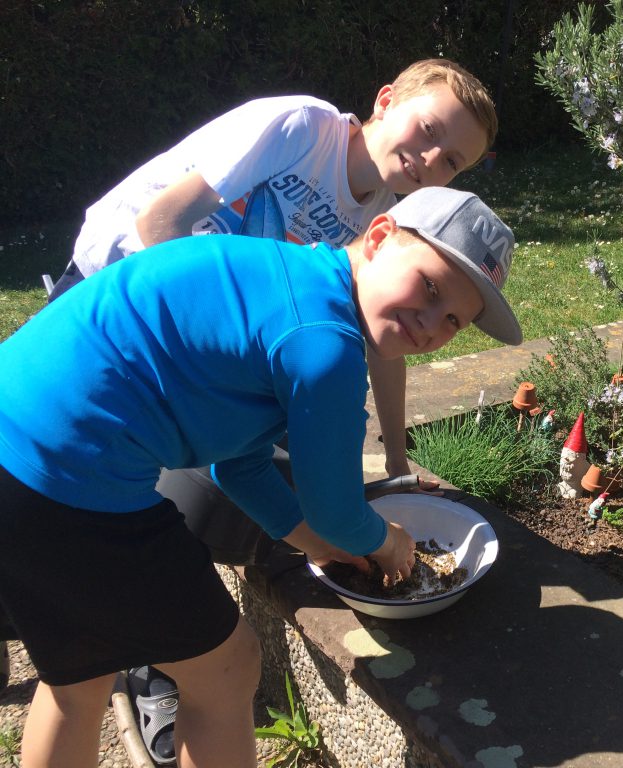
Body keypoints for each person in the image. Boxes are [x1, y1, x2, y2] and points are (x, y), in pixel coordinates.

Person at [0, 186, 521, 768]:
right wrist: (387, 541)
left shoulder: (287, 278)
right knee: (227, 671)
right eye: (430, 287)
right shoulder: (324, 342)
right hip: (69, 475)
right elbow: (337, 511)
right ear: (378, 238)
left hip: (14, 437)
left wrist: (314, 543)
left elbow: (237, 463)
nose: (429, 324)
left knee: (81, 677)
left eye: (453, 320)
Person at [50, 57, 497, 480]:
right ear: (386, 101)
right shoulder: (303, 128)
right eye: (428, 129)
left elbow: (385, 345)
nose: (431, 157)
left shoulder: (380, 221)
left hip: (185, 335)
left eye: (452, 161)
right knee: (51, 449)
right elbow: (159, 222)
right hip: (113, 287)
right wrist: (220, 355)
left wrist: (397, 462)